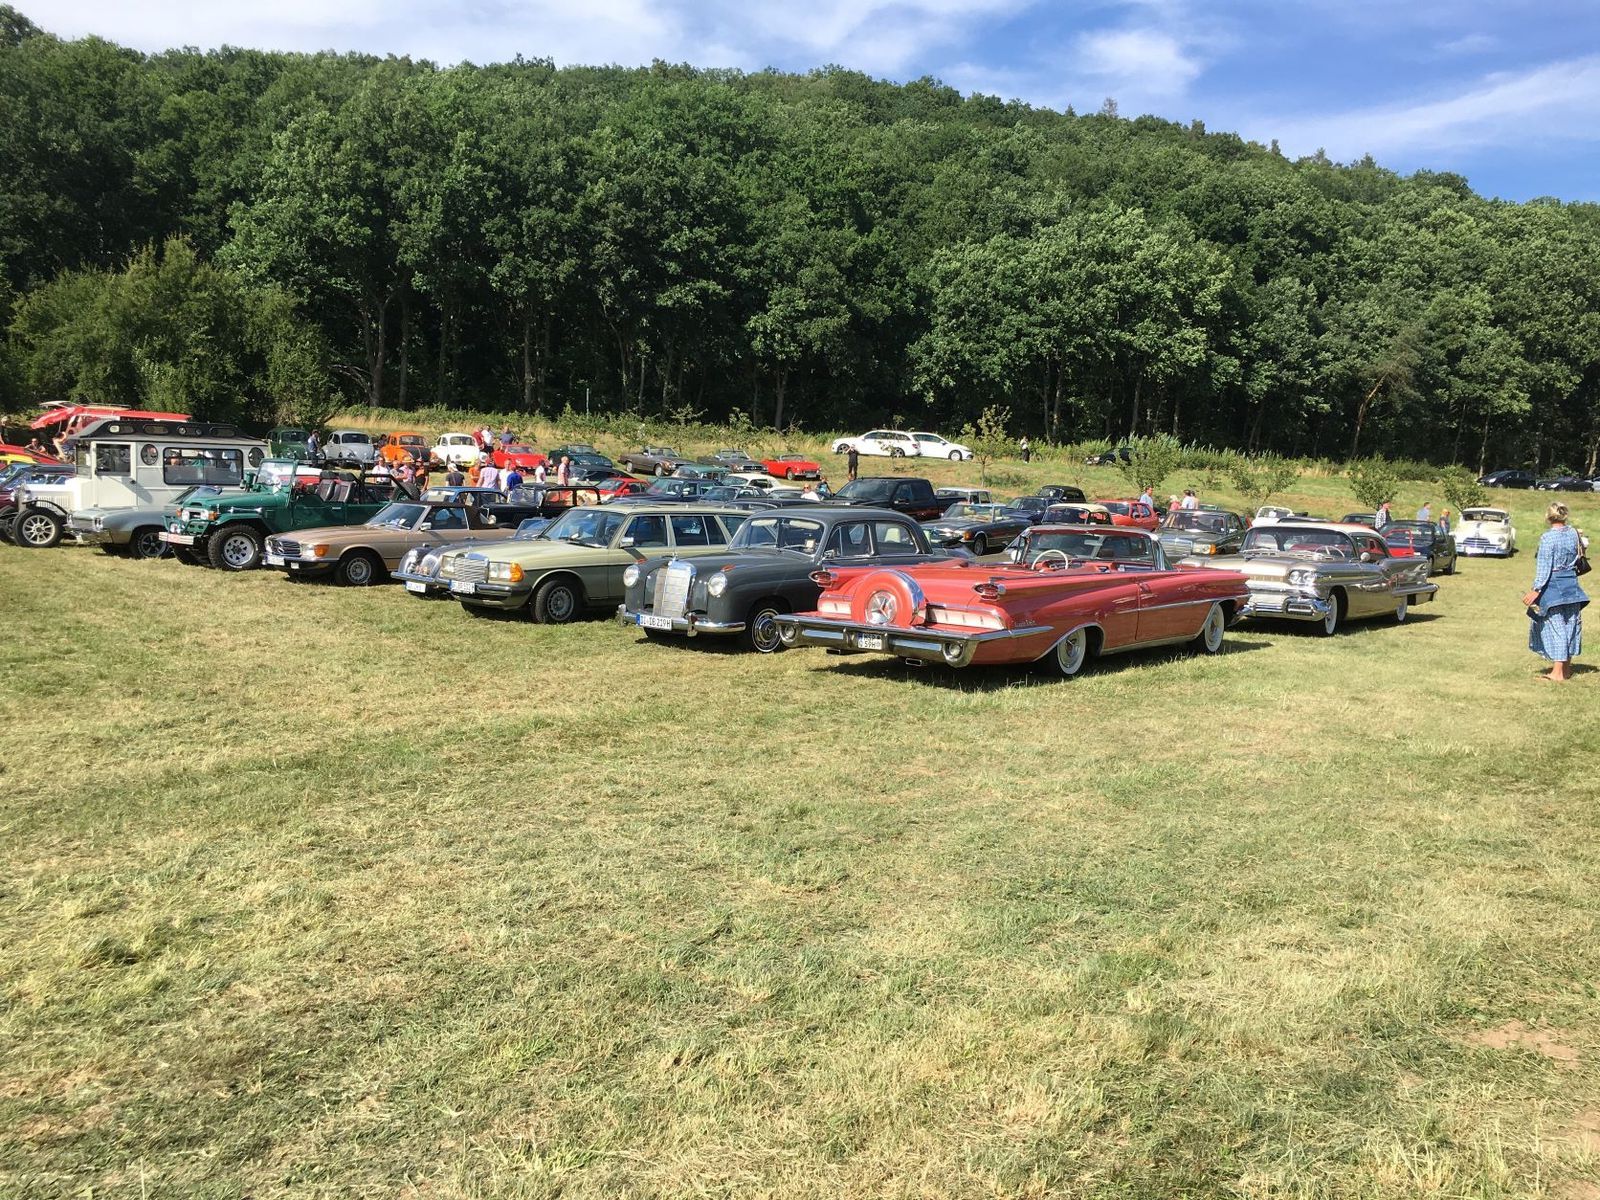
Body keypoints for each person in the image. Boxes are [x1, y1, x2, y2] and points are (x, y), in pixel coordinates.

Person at [1523, 502, 1588, 682]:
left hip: (1553, 586)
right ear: (1565, 515)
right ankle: (1565, 670)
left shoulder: (1548, 537)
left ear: (1548, 516)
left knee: (1556, 627)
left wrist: (1535, 590)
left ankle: (1557, 673)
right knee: (1570, 625)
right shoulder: (1573, 533)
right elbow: (1581, 553)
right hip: (1572, 584)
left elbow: (1544, 567)